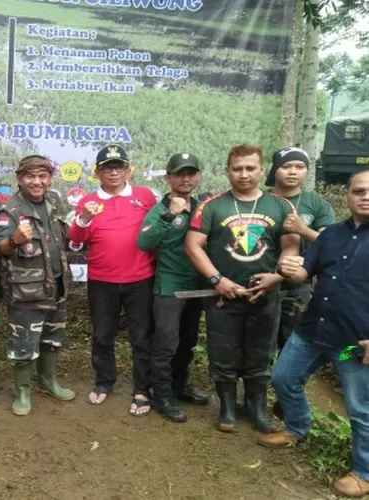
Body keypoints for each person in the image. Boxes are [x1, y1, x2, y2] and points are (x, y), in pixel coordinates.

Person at [259, 169, 369, 498]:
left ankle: (364, 471)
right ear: (347, 195)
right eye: (358, 191)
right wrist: (290, 269)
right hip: (313, 332)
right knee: (284, 377)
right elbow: (304, 271)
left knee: (359, 406)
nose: (365, 197)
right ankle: (297, 427)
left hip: (354, 345)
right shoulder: (331, 234)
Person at [186, 144, 300, 433]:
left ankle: (256, 407)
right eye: (237, 169)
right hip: (223, 296)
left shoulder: (280, 206)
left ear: (262, 170)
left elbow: (291, 247)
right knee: (223, 351)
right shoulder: (211, 206)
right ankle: (227, 406)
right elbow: (193, 246)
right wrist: (217, 280)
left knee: (261, 353)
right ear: (227, 171)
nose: (244, 174)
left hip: (266, 295)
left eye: (250, 168)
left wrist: (277, 276)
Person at [69, 145, 157, 415]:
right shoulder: (88, 201)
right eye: (107, 167)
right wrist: (85, 218)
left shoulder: (145, 196)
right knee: (102, 335)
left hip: (140, 279)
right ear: (97, 173)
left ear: (128, 170)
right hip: (102, 281)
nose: (114, 172)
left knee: (141, 337)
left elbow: (157, 232)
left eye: (119, 166)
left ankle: (142, 389)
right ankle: (104, 382)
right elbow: (76, 240)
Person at [0, 155, 75, 416]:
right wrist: (14, 241)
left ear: (50, 179)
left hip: (56, 285)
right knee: (24, 344)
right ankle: (23, 391)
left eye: (42, 176)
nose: (37, 182)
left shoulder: (54, 202)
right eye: (30, 176)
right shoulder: (10, 210)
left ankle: (48, 381)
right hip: (27, 291)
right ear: (20, 179)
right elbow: (1, 247)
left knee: (52, 337)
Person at [136, 153, 209, 423]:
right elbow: (144, 243)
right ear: (168, 178)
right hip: (170, 287)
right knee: (166, 343)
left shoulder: (205, 208)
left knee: (188, 342)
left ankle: (180, 385)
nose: (185, 179)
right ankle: (162, 395)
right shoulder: (159, 210)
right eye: (179, 174)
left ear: (199, 176)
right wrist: (170, 215)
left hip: (198, 286)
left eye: (191, 173)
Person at [265, 147, 335, 417]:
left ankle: (286, 405)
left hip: (298, 287)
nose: (293, 172)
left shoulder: (316, 204)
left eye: (299, 166)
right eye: (286, 166)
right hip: (261, 284)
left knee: (293, 344)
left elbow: (332, 245)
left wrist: (302, 229)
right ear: (275, 170)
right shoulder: (260, 199)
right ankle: (255, 400)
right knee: (262, 346)